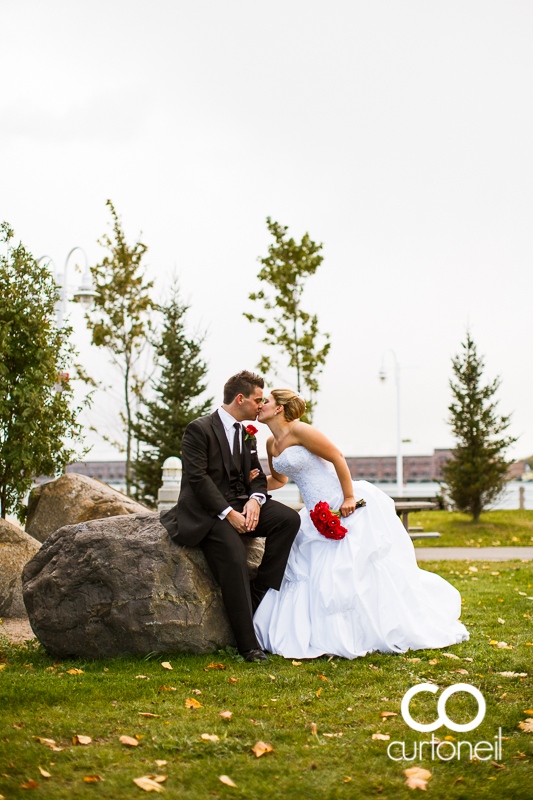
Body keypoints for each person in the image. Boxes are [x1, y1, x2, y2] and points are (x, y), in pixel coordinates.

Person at [252, 388, 469, 659]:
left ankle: (367, 628)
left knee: (352, 569)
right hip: (313, 513)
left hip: (341, 503)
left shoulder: (301, 431)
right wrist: (252, 486)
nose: (260, 406)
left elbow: (337, 457)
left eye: (266, 401)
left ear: (279, 408)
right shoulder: (271, 444)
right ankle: (312, 633)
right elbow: (280, 481)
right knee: (307, 570)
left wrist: (349, 497)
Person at [160, 371, 300, 662]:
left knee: (289, 520)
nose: (260, 406)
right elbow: (197, 480)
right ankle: (248, 646)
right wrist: (228, 514)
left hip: (241, 503)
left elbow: (257, 476)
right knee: (235, 556)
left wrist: (255, 500)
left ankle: (258, 592)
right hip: (208, 512)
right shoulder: (199, 429)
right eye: (257, 400)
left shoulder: (247, 433)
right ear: (240, 399)